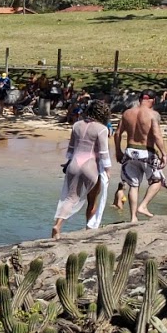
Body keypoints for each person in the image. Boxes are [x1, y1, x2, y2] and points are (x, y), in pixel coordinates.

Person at [52, 100, 114, 238]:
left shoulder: (76, 125)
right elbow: (104, 152)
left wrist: (68, 162)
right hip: (91, 166)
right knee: (92, 201)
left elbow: (71, 148)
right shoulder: (102, 129)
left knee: (69, 198)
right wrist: (108, 170)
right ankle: (89, 229)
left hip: (74, 164)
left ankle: (58, 225)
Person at [115, 90, 167, 222]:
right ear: (153, 100)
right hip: (146, 151)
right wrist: (163, 154)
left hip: (130, 151)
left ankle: (133, 218)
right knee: (157, 181)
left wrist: (118, 151)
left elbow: (117, 134)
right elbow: (156, 136)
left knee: (133, 185)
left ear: (140, 99)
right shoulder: (153, 114)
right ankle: (143, 206)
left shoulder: (127, 113)